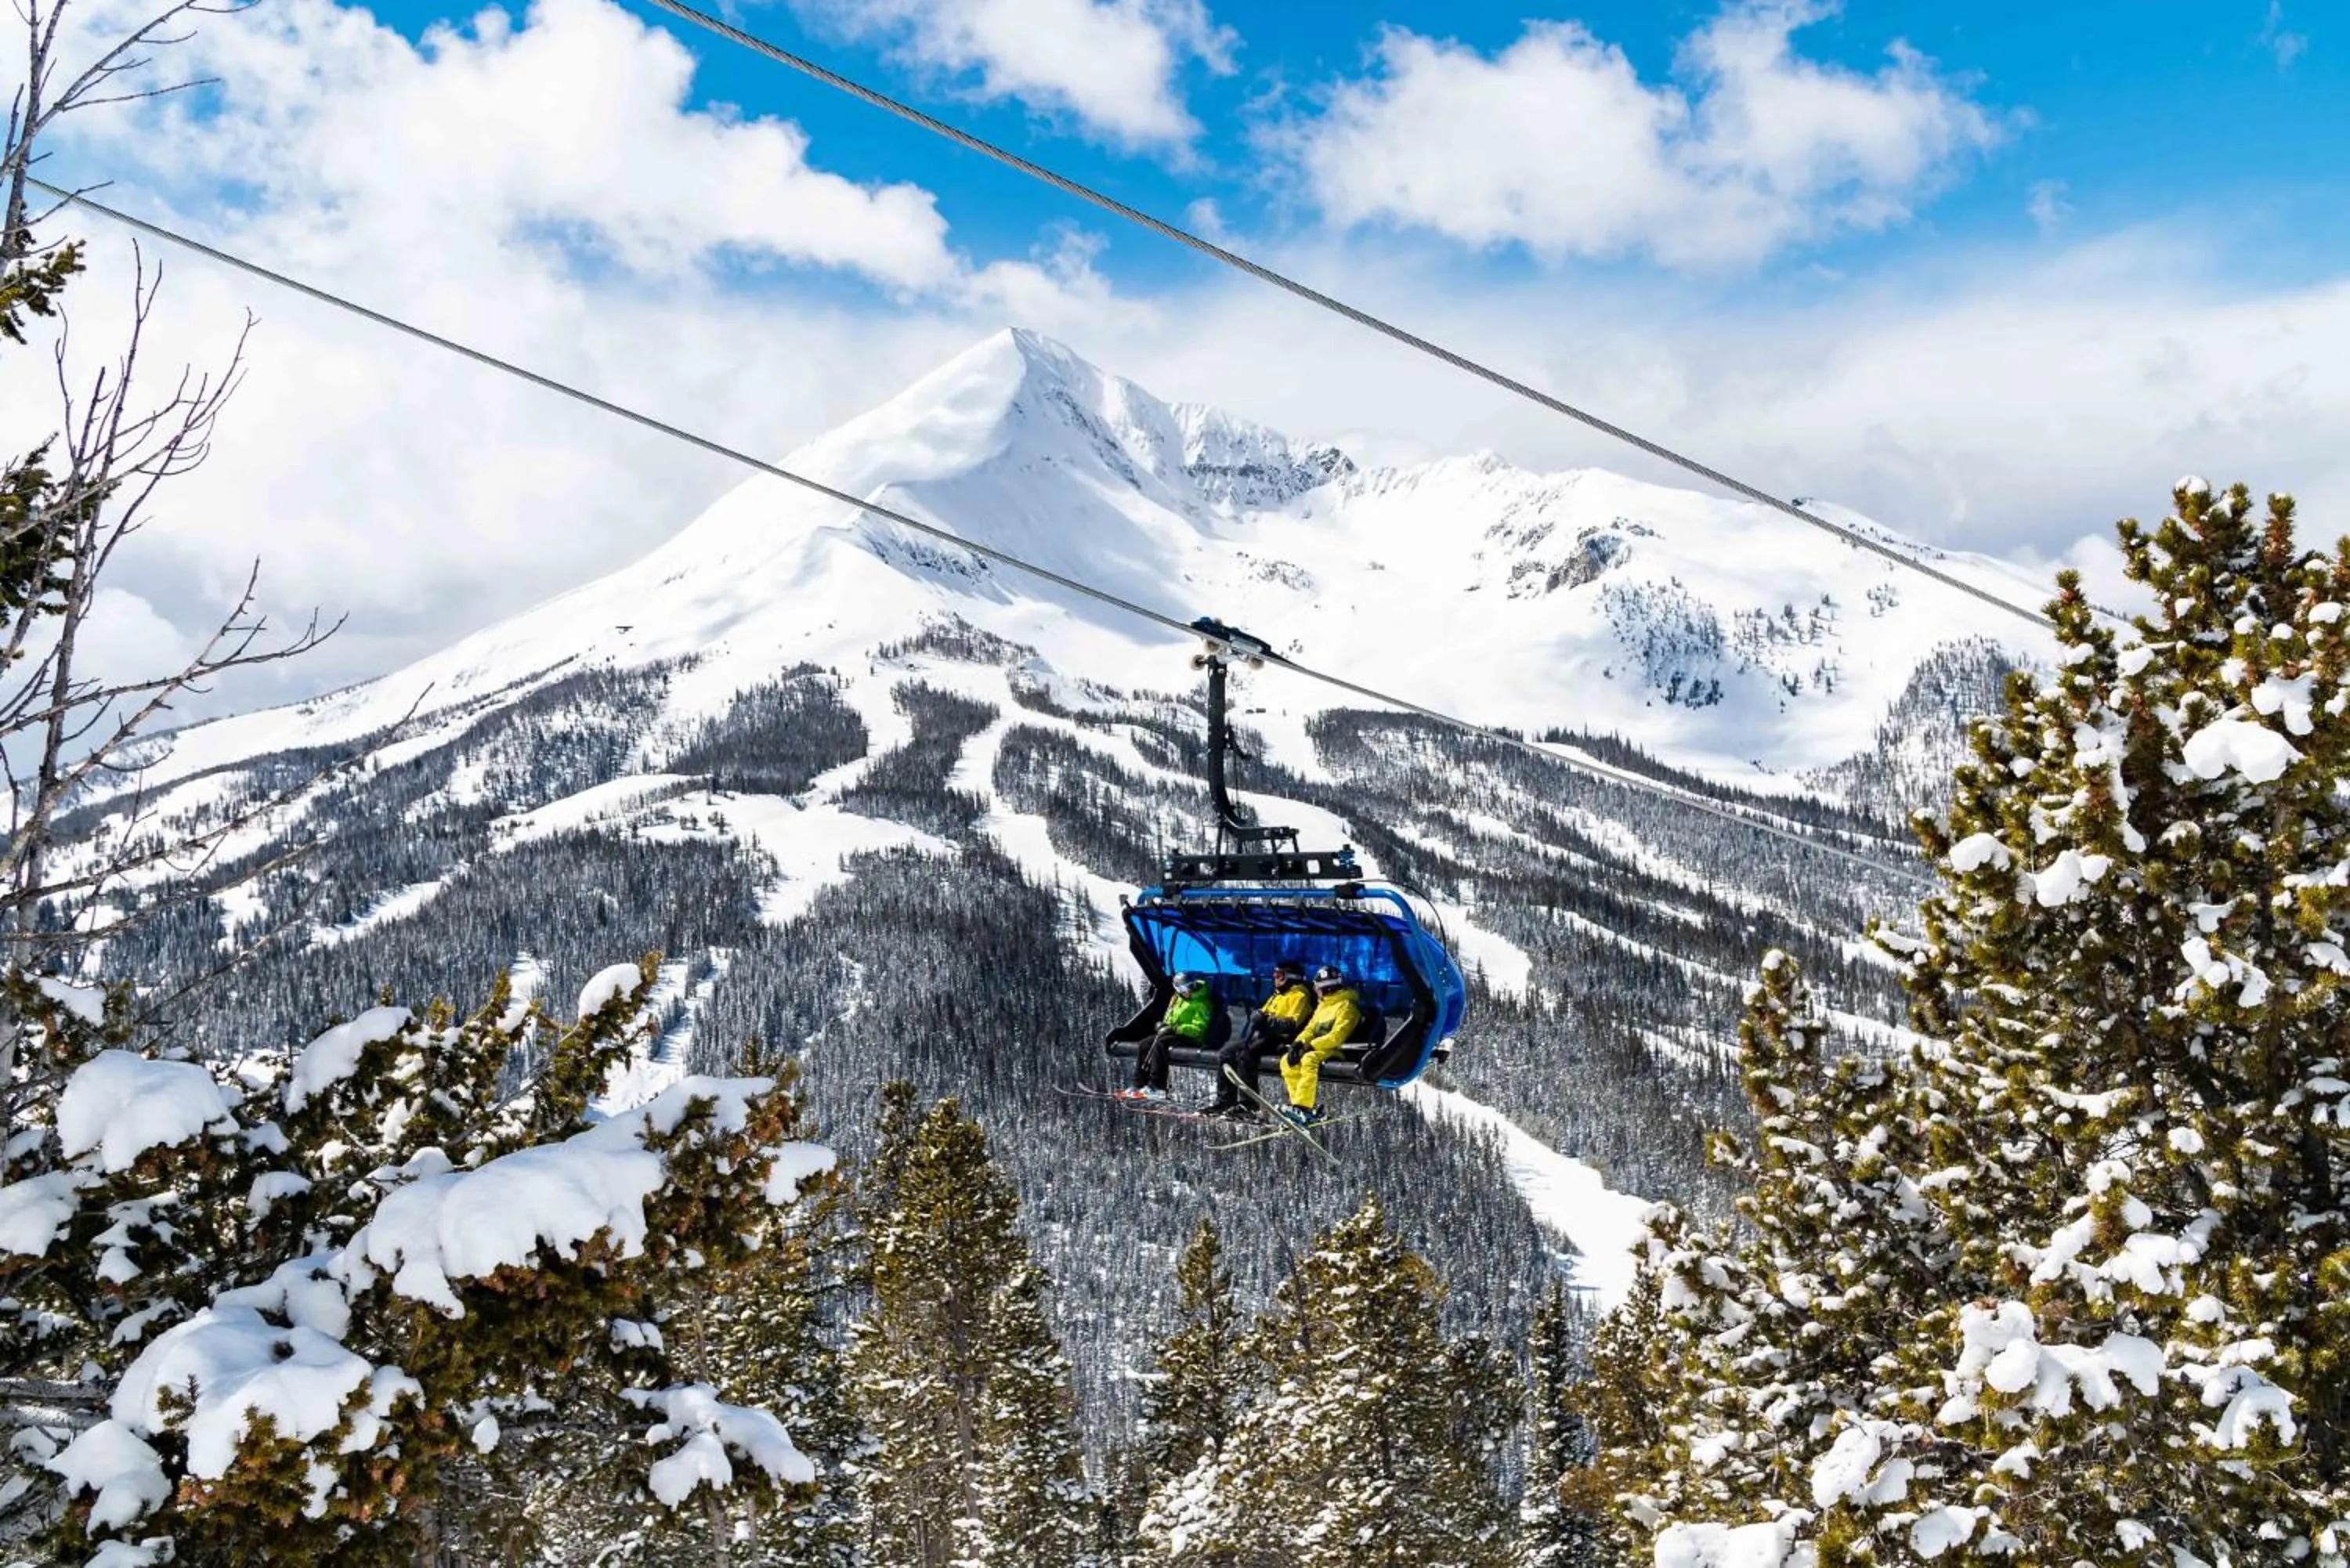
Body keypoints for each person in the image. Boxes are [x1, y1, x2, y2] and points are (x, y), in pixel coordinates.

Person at [1206, 959, 1313, 1116]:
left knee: (1246, 1054)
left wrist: (1269, 1021)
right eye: (1275, 975)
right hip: (1265, 1036)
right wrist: (1260, 1015)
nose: (1275, 979)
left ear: (1291, 977)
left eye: (1279, 975)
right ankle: (1225, 1100)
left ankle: (1248, 1104)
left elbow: (1292, 1023)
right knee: (1227, 1053)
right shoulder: (1278, 995)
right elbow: (1264, 1013)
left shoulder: (1299, 995)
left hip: (1283, 1039)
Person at [1277, 965, 1361, 1125]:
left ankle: (1303, 1107)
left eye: (1318, 988)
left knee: (1309, 1060)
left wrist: (1311, 1046)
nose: (1316, 991)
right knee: (1287, 1061)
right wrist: (1299, 1043)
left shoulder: (1347, 1007)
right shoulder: (1324, 1006)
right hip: (1316, 1048)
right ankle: (1298, 1106)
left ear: (1327, 988)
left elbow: (1337, 1037)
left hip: (1336, 1050)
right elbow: (1310, 1029)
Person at [1119, 972, 1214, 1102]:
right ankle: (1138, 1083)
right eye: (1182, 989)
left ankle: (1157, 1086)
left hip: (1192, 1038)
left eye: (1189, 986)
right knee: (1145, 1044)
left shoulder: (1201, 1003)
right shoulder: (1177, 999)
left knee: (1161, 1044)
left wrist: (1176, 1028)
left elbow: (1199, 1029)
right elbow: (1170, 1017)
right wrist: (1164, 1025)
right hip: (1174, 1034)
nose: (1187, 991)